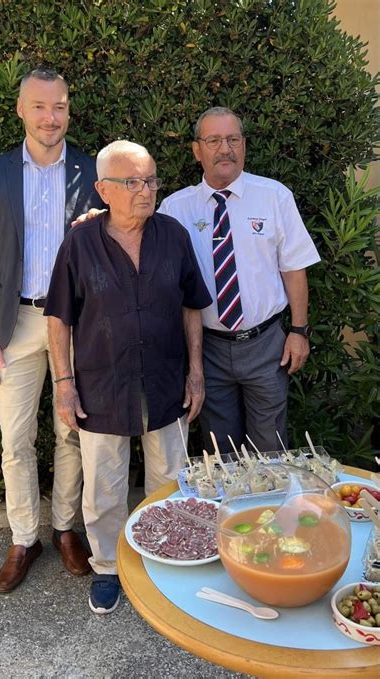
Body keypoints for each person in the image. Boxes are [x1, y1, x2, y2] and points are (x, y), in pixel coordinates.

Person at [45, 140, 212, 614]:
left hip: (165, 381)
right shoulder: (80, 241)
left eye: (152, 179)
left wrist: (195, 372)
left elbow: (191, 306)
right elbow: (59, 318)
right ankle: (107, 568)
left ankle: (163, 562)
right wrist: (63, 382)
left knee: (169, 481)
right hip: (102, 386)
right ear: (103, 189)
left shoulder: (173, 235)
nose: (146, 190)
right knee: (104, 489)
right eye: (133, 182)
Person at [0, 67, 103, 593]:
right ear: (21, 109)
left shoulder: (93, 171)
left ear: (69, 110)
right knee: (15, 440)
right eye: (40, 106)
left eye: (60, 106)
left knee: (73, 433)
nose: (51, 117)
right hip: (16, 324)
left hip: (76, 323)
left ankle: (66, 529)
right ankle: (25, 537)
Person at [159, 106, 321, 454]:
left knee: (271, 448)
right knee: (221, 452)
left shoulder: (275, 196)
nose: (225, 149)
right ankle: (231, 511)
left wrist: (299, 331)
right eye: (214, 140)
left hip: (267, 346)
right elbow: (140, 247)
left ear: (244, 146)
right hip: (208, 349)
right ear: (196, 149)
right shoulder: (174, 209)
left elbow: (294, 267)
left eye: (233, 139)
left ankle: (271, 509)